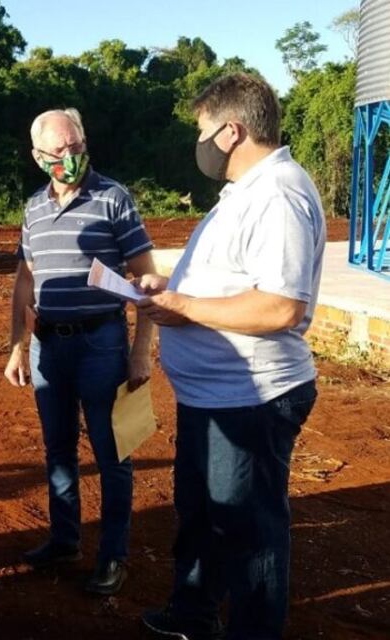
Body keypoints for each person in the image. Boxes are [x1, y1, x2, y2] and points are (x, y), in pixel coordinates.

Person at [138, 73, 325, 640]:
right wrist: (172, 289)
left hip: (252, 398)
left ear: (231, 131)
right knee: (202, 514)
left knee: (250, 535)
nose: (199, 143)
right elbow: (233, 280)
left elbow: (281, 306)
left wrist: (185, 306)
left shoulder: (279, 195)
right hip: (213, 396)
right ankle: (192, 615)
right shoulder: (247, 191)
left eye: (203, 131)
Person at [4, 108, 156, 595]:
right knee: (58, 450)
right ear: (38, 157)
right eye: (59, 150)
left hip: (101, 344)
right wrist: (17, 347)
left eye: (76, 146)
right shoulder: (33, 207)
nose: (70, 156)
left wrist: (140, 352)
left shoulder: (113, 198)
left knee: (112, 453)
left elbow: (146, 281)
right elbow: (25, 280)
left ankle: (112, 557)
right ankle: (64, 540)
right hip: (48, 347)